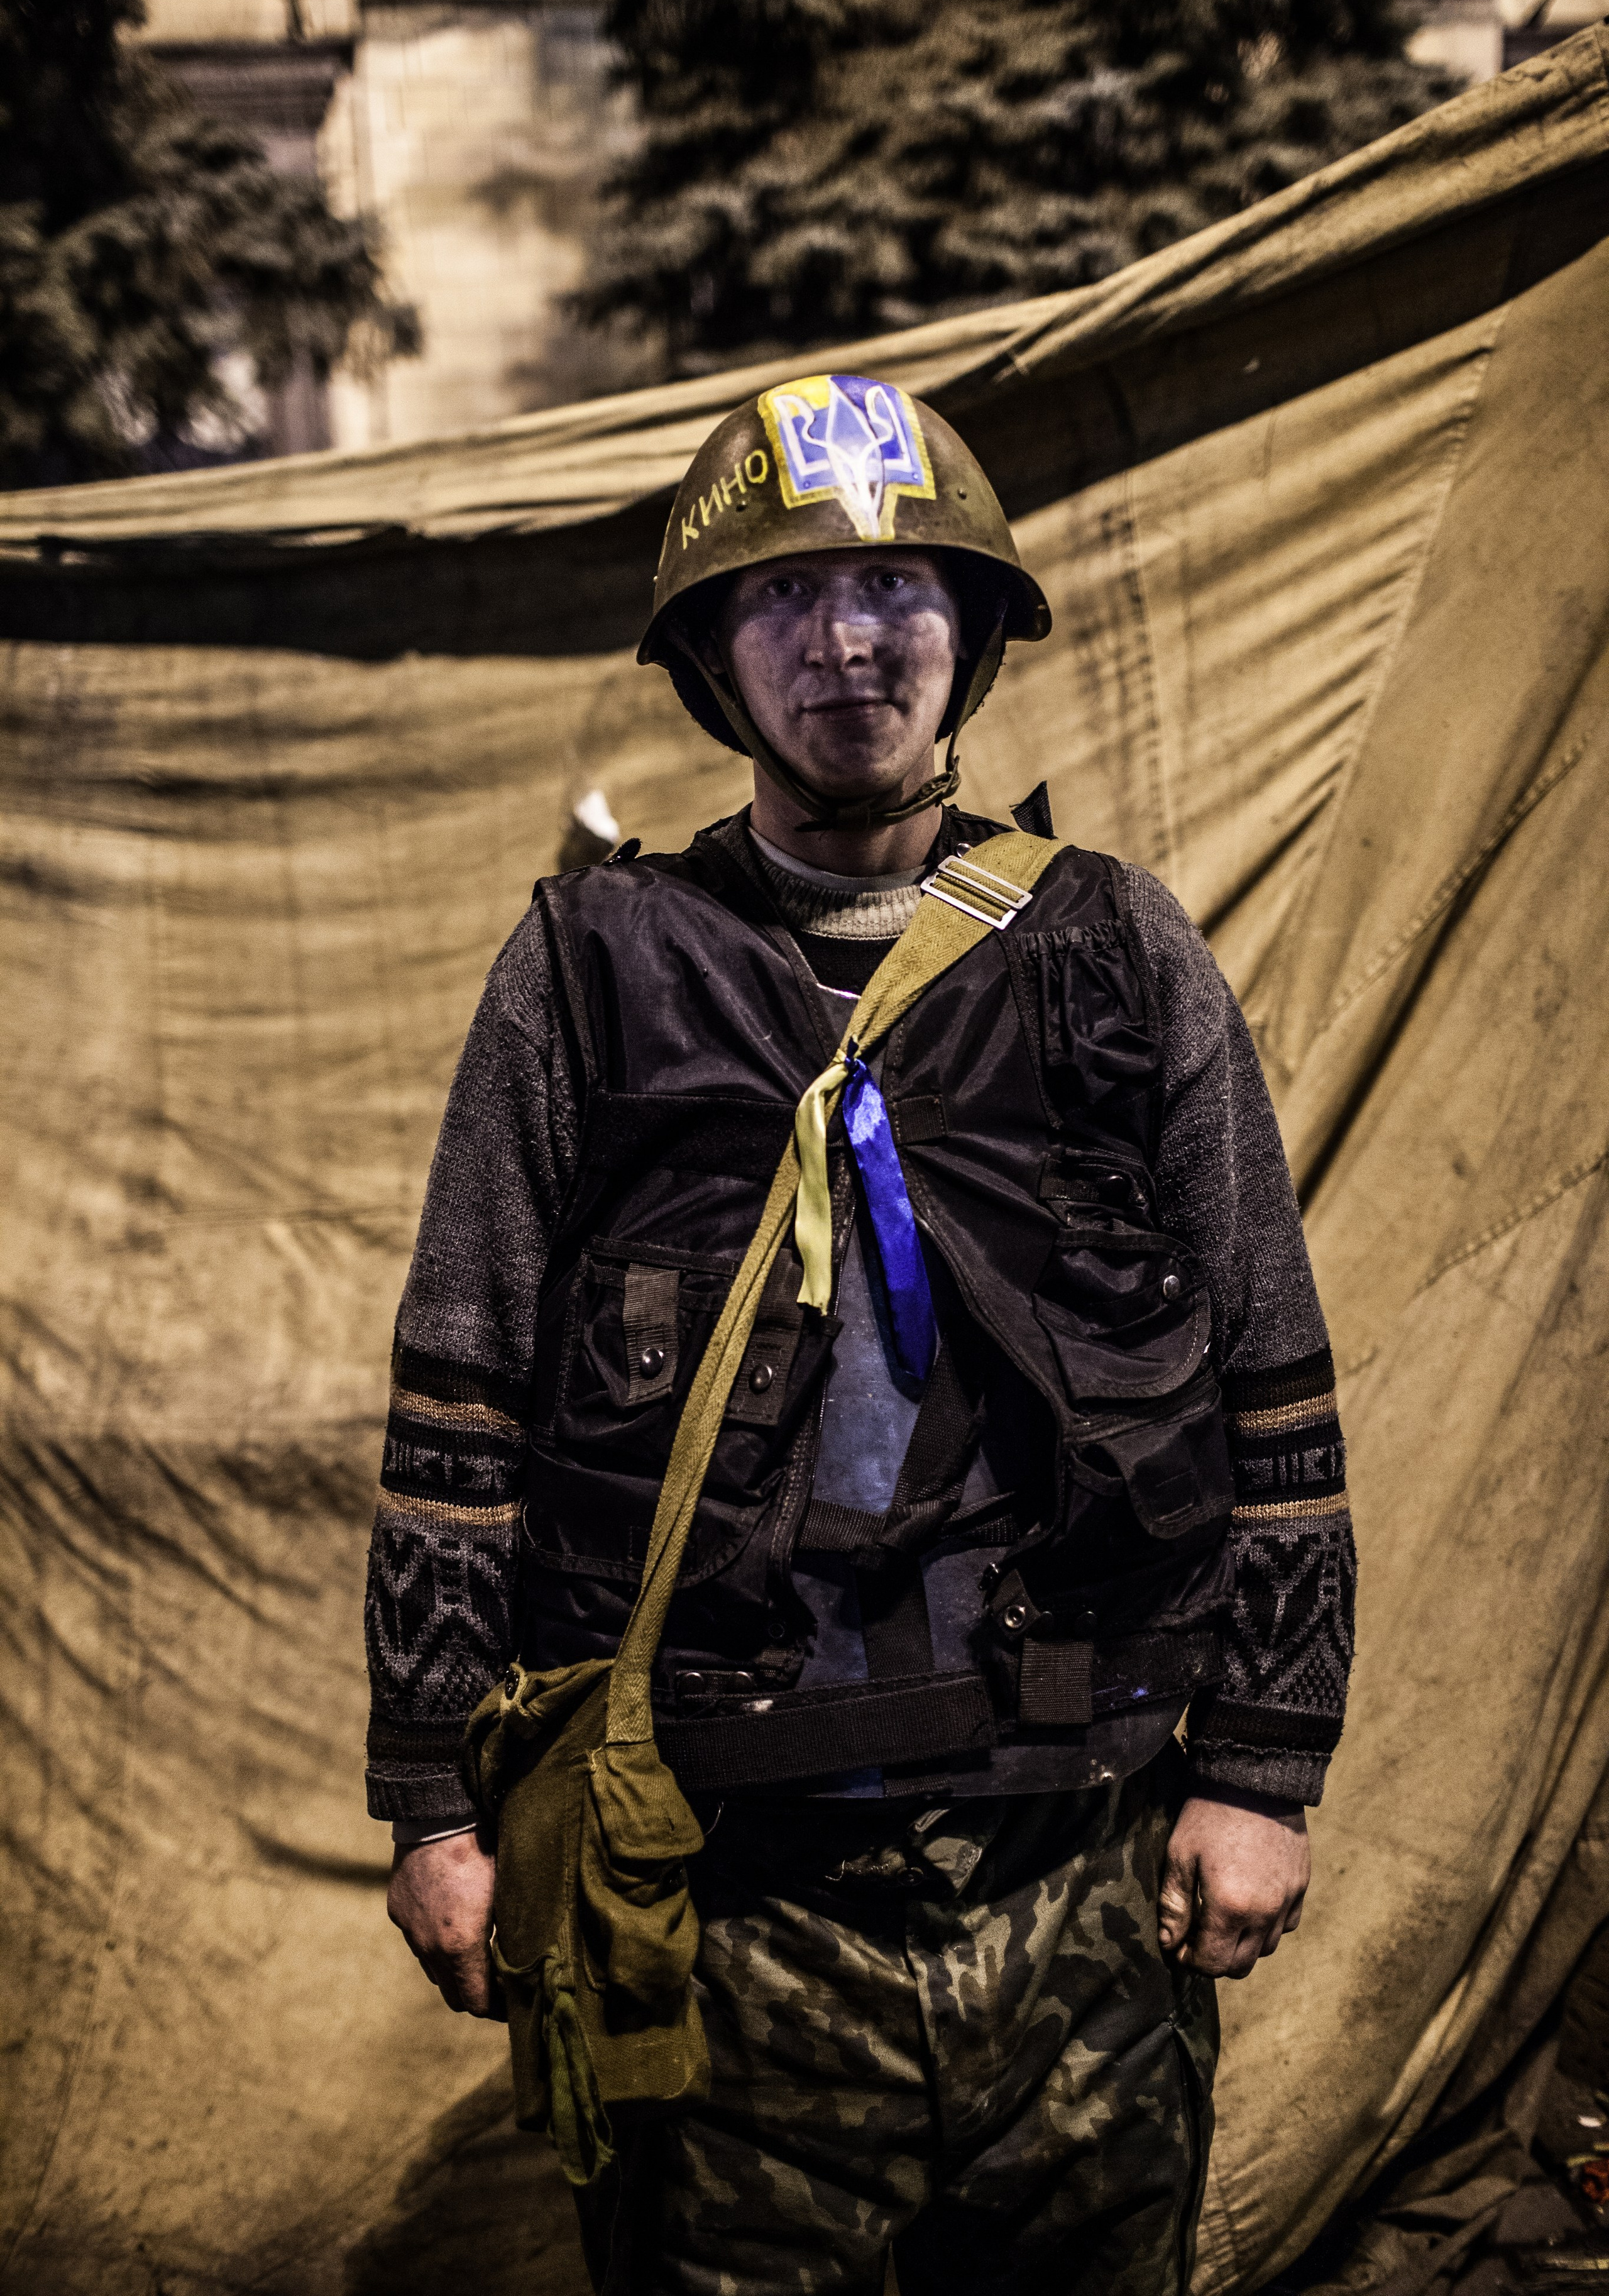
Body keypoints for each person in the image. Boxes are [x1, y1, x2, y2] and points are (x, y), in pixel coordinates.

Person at [365, 373, 1355, 2293]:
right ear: (710, 661)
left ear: (971, 636)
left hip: (1084, 1876)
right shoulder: (589, 970)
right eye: (786, 598)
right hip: (725, 1899)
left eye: (902, 591)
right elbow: (458, 1414)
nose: (848, 640)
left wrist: (1263, 1764)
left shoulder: (1116, 951)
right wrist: (429, 1800)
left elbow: (1274, 1386)